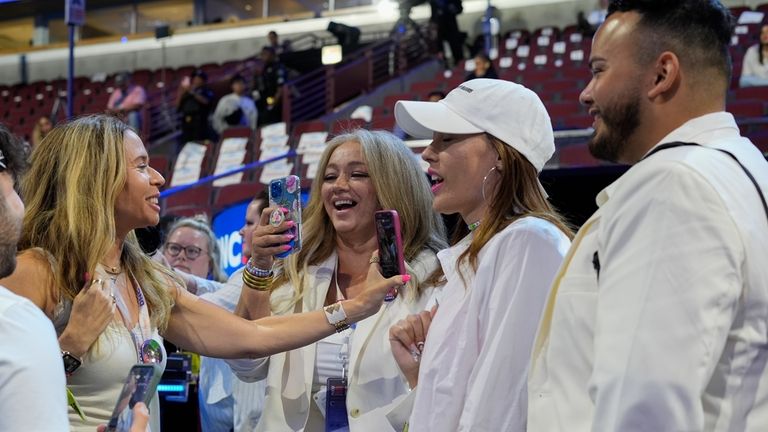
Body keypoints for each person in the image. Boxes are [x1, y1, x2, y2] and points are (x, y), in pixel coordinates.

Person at [0, 114, 408, 431]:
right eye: (142, 166)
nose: (159, 177)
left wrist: (354, 307)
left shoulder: (144, 280)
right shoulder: (36, 271)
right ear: (97, 179)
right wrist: (70, 348)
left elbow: (252, 338)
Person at [527, 2, 768, 431]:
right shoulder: (742, 164)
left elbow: (643, 404)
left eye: (599, 70)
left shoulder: (672, 185)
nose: (586, 92)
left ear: (661, 75)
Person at [228, 129, 448, 431]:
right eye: (329, 178)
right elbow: (247, 366)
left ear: (395, 186)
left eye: (357, 174)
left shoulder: (436, 278)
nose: (339, 186)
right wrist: (261, 266)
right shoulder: (295, 271)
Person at [389, 78, 573, 431]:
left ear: (501, 155)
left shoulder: (526, 243)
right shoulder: (480, 252)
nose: (427, 152)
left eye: (447, 138)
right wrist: (420, 373)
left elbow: (502, 406)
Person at [0, 124, 151, 432]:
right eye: (11, 191)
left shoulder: (138, 273)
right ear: (97, 182)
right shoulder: (29, 280)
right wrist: (74, 344)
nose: (20, 205)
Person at [159, 213, 266, 432]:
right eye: (173, 248)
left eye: (192, 251)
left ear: (211, 261)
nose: (181, 257)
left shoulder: (230, 295)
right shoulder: (152, 311)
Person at [177, 69, 214, 148]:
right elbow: (178, 106)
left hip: (199, 121)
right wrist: (181, 92)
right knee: (186, 144)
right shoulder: (186, 93)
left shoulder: (206, 90)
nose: (196, 80)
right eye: (195, 78)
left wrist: (192, 92)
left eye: (198, 78)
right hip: (186, 122)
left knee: (199, 143)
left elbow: (206, 102)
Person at [254, 47, 286, 126]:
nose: (263, 56)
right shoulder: (264, 68)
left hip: (275, 102)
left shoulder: (278, 68)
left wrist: (273, 104)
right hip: (264, 101)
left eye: (265, 54)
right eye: (262, 54)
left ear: (272, 55)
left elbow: (280, 88)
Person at [430, 0, 465, 65]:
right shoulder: (434, 2)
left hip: (450, 25)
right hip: (439, 27)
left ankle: (459, 64)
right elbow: (433, 15)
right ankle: (443, 65)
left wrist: (451, 8)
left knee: (455, 46)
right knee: (440, 48)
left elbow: (459, 9)